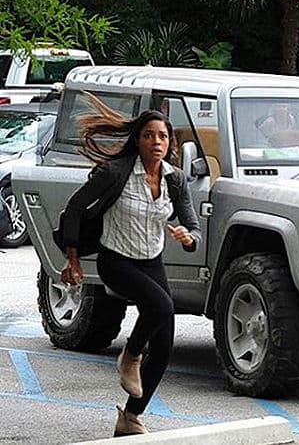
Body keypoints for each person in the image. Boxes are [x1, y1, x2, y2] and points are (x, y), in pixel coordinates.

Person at [59, 93, 201, 437]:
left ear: (170, 143)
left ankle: (131, 417)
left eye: (163, 136)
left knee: (164, 344)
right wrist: (72, 258)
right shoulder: (116, 172)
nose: (157, 142)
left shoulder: (174, 179)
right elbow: (74, 208)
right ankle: (131, 355)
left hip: (151, 262)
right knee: (162, 306)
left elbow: (193, 227)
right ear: (137, 140)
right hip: (115, 260)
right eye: (149, 135)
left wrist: (188, 237)